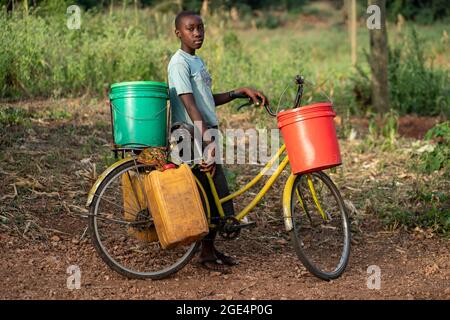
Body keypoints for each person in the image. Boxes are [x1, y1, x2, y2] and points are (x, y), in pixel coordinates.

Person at [167, 10, 268, 273]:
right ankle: (205, 254)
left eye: (200, 28)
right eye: (190, 29)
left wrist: (237, 93)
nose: (197, 33)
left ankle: (209, 250)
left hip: (202, 131)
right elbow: (190, 106)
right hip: (190, 133)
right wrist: (207, 143)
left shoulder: (195, 60)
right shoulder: (179, 63)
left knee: (215, 192)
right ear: (178, 33)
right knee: (207, 192)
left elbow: (205, 98)